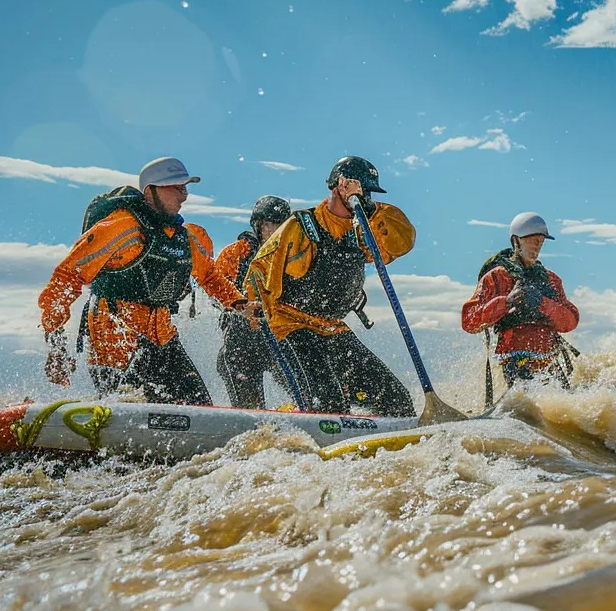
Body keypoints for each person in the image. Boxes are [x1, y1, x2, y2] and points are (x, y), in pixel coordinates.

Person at [38, 156, 259, 404]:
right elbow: (67, 276)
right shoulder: (121, 228)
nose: (183, 195)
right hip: (114, 332)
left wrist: (240, 304)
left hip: (162, 332)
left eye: (185, 187)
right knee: (125, 406)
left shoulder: (185, 238)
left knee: (198, 404)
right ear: (151, 190)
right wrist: (55, 341)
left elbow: (208, 276)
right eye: (176, 187)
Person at [244, 156, 417, 417]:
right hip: (291, 328)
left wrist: (369, 210)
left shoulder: (361, 231)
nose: (365, 195)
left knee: (398, 403)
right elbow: (259, 269)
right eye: (362, 189)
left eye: (368, 192)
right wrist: (254, 306)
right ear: (339, 185)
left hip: (331, 328)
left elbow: (402, 242)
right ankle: (287, 419)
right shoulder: (301, 226)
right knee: (329, 407)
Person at [461, 212, 580, 389]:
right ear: (516, 241)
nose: (537, 246)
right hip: (514, 359)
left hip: (549, 358)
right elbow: (469, 321)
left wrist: (542, 302)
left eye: (540, 241)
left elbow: (570, 321)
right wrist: (505, 302)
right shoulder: (495, 278)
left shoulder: (552, 280)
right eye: (532, 240)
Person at [214, 195, 292, 409]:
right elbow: (217, 288)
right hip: (241, 348)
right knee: (251, 410)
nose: (276, 230)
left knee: (307, 391)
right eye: (270, 224)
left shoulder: (290, 256)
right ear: (258, 226)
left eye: (282, 224)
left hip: (278, 342)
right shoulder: (237, 253)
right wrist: (241, 306)